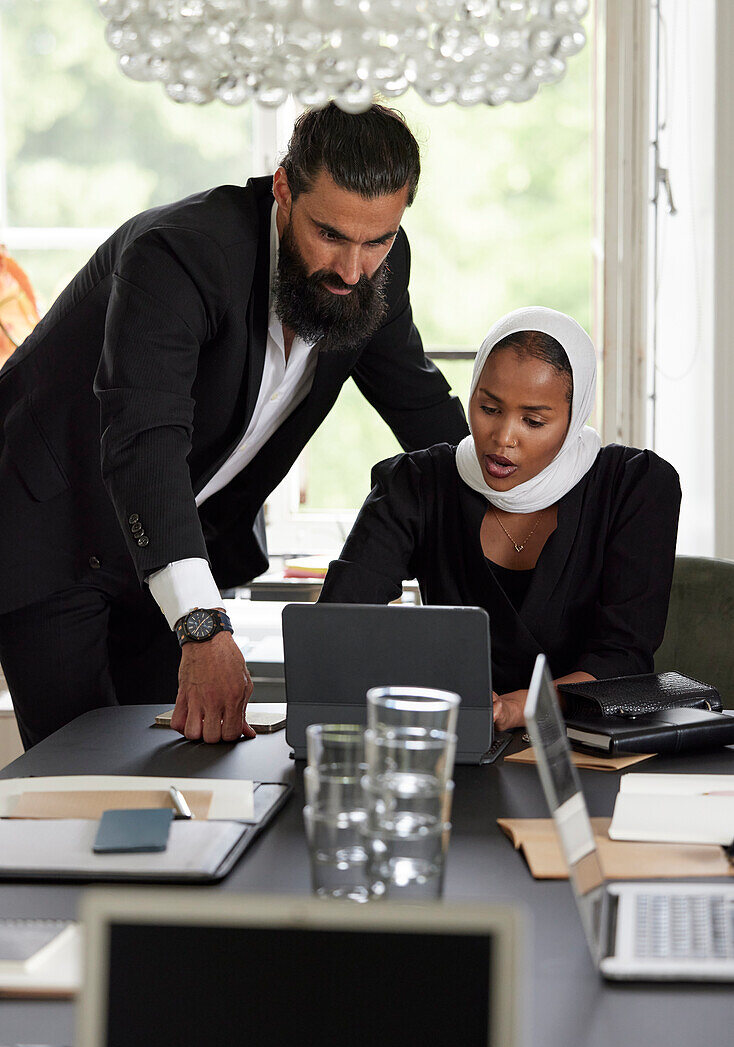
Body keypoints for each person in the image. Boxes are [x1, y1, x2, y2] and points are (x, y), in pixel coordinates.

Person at [0, 103, 468, 749]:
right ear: (283, 189)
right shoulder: (183, 253)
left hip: (166, 542)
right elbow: (147, 438)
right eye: (330, 235)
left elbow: (422, 408)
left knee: (173, 758)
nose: (354, 269)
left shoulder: (376, 265)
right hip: (51, 528)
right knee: (80, 769)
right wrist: (201, 624)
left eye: (378, 240)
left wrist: (520, 494)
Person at [319, 306, 682, 730]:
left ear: (575, 415)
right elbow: (337, 623)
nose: (503, 437)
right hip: (460, 736)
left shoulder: (635, 486)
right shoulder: (416, 483)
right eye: (489, 408)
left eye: (533, 420)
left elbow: (625, 657)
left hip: (589, 741)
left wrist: (516, 708)